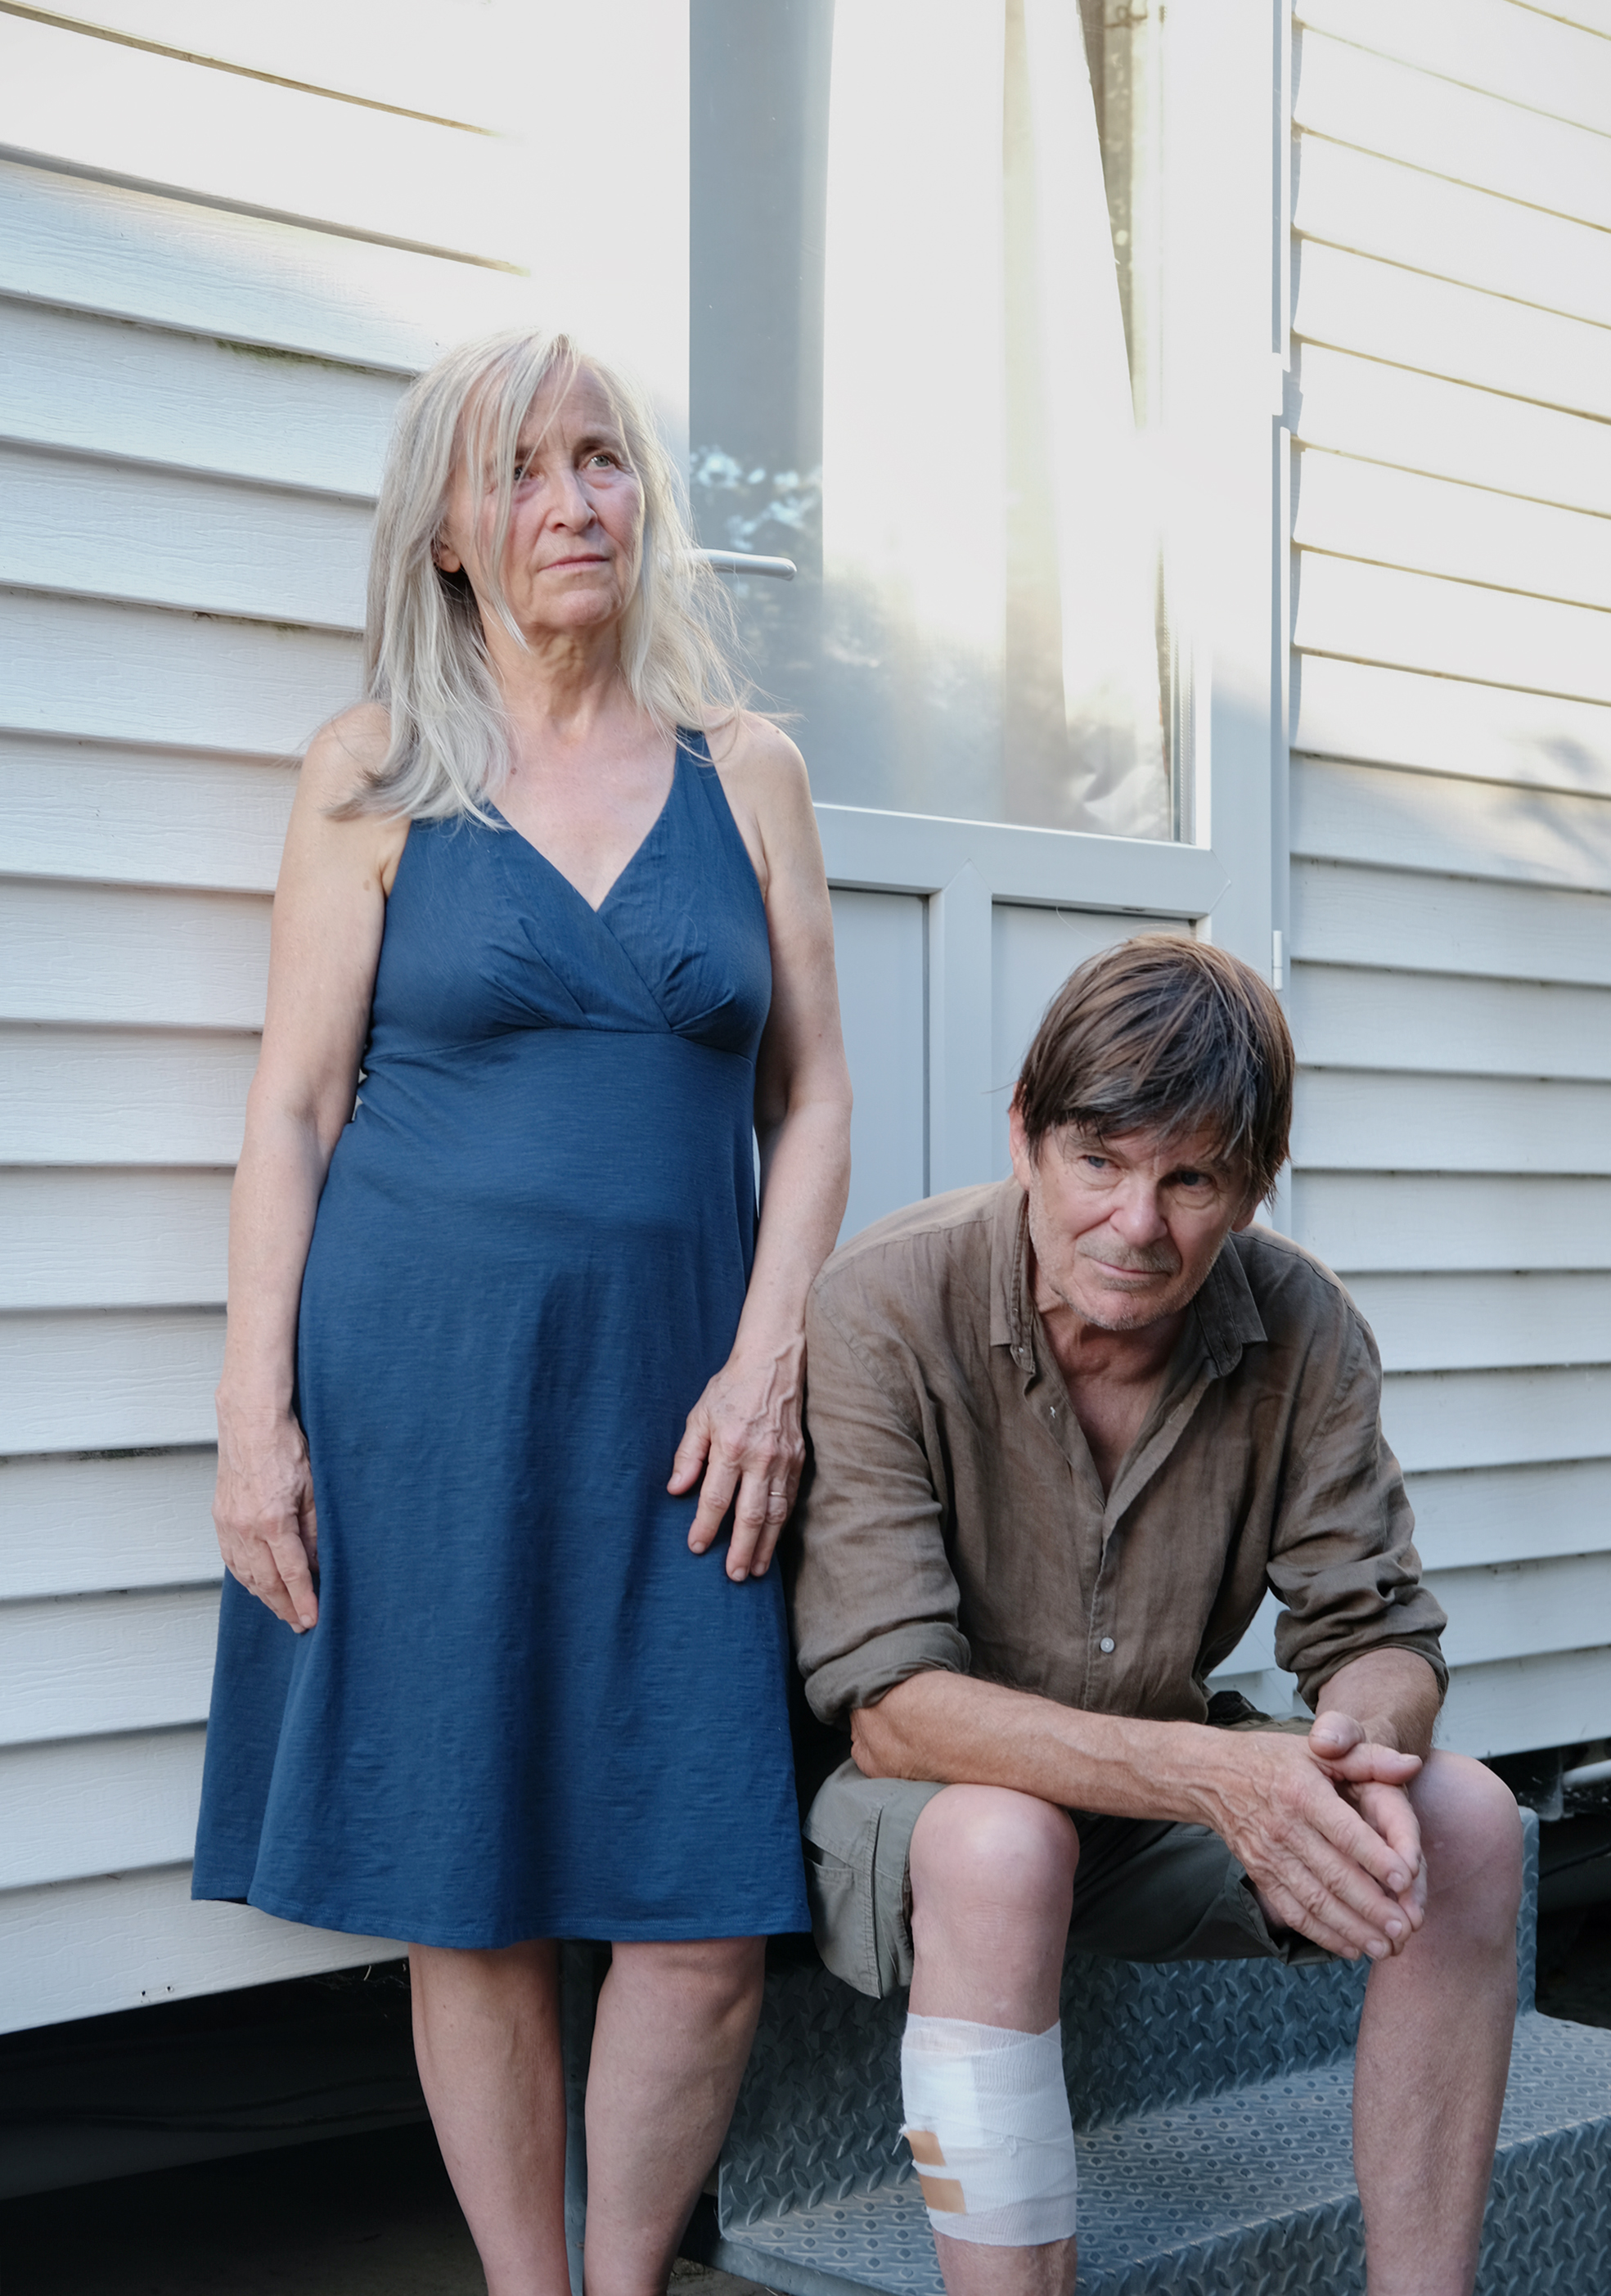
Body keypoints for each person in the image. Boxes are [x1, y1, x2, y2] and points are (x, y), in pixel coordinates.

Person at [193, 326, 853, 2296]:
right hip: (421, 1393)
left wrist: (771, 1355)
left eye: (602, 458)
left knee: (701, 1915)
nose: (574, 502)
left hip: (684, 1408)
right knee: (465, 1891)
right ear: (450, 534)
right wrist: (252, 1421)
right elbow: (292, 1109)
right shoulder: (373, 770)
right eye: (521, 471)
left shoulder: (747, 773)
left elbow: (813, 1095)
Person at [791, 937, 1521, 2296]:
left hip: (1152, 1805)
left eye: (1190, 1179)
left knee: (1468, 1817)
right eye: (1099, 1162)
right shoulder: (883, 1301)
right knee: (1004, 1842)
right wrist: (1212, 1775)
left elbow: (1374, 1628)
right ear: (1025, 1132)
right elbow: (891, 1712)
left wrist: (1354, 1745)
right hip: (929, 1812)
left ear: (1253, 1181)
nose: (1137, 1224)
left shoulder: (1303, 1321)